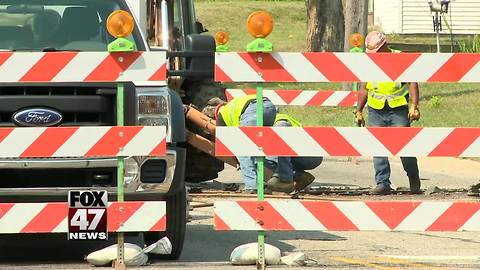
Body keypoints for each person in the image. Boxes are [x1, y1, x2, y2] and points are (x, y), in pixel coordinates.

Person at [355, 31, 421, 195]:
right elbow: (364, 88)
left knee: (404, 148)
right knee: (378, 147)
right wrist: (358, 110)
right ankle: (382, 183)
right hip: (376, 109)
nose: (374, 56)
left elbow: (412, 82)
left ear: (384, 45)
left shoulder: (400, 58)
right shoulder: (369, 63)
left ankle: (413, 178)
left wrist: (414, 105)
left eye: (376, 52)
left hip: (397, 108)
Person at [214, 95, 277, 193]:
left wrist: (237, 160)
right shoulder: (234, 105)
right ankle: (264, 182)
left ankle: (252, 186)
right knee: (261, 148)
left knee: (243, 149)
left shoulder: (221, 114)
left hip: (253, 109)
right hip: (270, 107)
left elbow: (223, 142)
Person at [266, 113, 323, 193]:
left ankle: (286, 182)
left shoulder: (279, 123)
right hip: (300, 153)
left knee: (270, 175)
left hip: (310, 154)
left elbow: (276, 153)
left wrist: (281, 177)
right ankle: (299, 177)